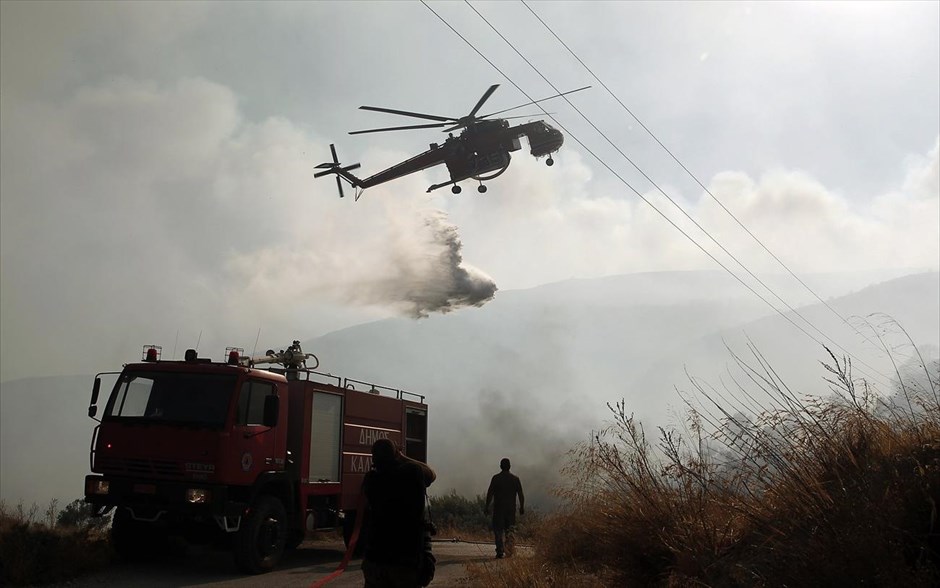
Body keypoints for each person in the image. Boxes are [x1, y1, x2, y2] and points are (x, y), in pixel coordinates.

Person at [361, 438, 436, 588]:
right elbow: (431, 474)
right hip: (405, 561)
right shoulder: (412, 473)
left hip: (376, 560)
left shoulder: (371, 481)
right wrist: (401, 456)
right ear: (395, 455)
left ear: (374, 458)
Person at [484, 457, 525, 559]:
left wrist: (487, 506)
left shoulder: (496, 478)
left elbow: (490, 494)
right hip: (511, 510)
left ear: (500, 466)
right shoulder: (515, 479)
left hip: (499, 509)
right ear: (509, 466)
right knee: (509, 530)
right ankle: (509, 550)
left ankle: (500, 551)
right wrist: (522, 507)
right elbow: (520, 494)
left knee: (498, 530)